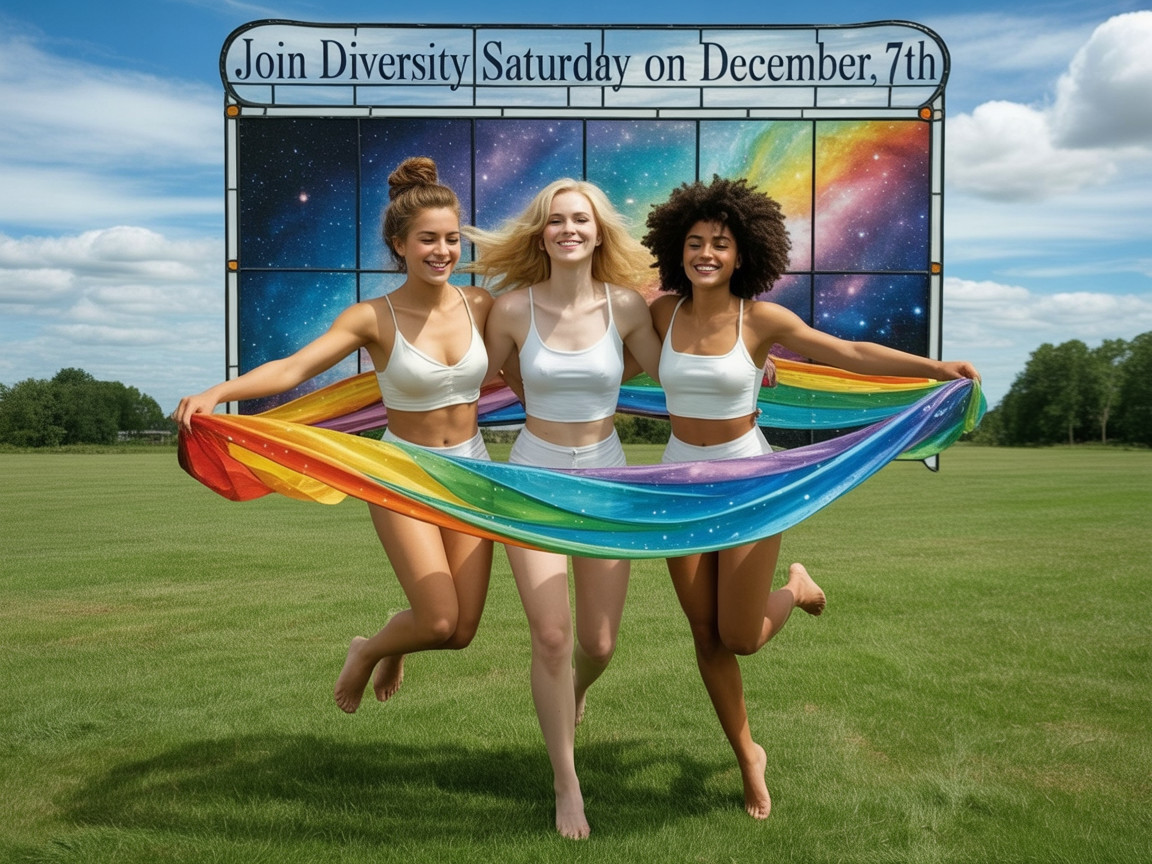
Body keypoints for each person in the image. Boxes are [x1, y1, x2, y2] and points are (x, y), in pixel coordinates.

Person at [641, 176, 980, 820]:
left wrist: (936, 368)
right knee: (705, 635)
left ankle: (796, 588)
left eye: (720, 243)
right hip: (679, 485)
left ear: (742, 253)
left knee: (741, 636)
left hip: (749, 480)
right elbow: (599, 331)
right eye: (695, 242)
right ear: (676, 248)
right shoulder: (661, 314)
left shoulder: (760, 319)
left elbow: (846, 352)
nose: (706, 253)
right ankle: (749, 755)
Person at [176, 157, 496, 715]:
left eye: (451, 239)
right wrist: (219, 392)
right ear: (399, 244)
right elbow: (293, 368)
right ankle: (369, 650)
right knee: (438, 619)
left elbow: (536, 352)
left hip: (474, 470)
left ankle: (395, 643)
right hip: (403, 472)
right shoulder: (371, 317)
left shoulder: (481, 304)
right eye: (427, 239)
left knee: (461, 632)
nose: (442, 251)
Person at [465, 179, 663, 839]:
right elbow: (474, 381)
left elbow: (674, 373)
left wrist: (755, 366)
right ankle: (566, 782)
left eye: (580, 219)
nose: (568, 229)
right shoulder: (511, 310)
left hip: (607, 480)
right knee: (551, 636)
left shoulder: (626, 307)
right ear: (541, 233)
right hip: (532, 482)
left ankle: (576, 690)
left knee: (598, 644)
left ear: (599, 232)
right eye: (556, 220)